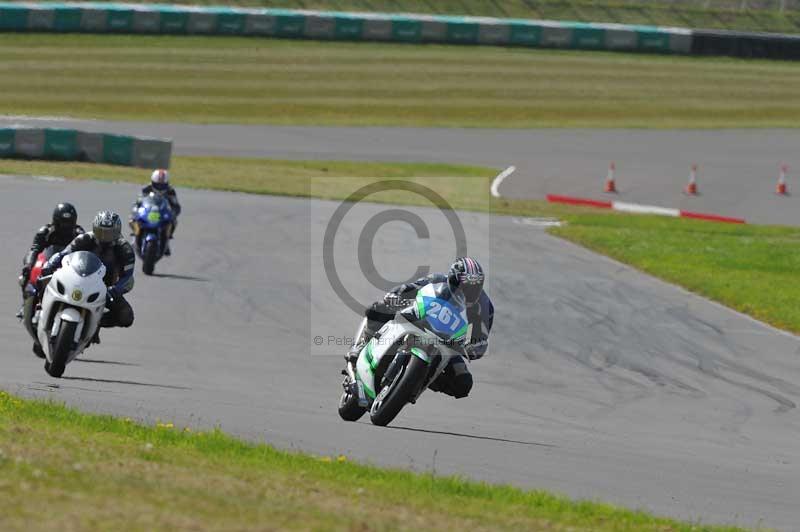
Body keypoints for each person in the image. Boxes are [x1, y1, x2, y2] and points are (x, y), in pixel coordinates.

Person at [346, 257, 493, 399]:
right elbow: (410, 287)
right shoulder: (437, 280)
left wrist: (474, 348)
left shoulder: (485, 307)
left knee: (463, 383)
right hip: (418, 321)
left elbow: (481, 338)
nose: (468, 291)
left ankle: (417, 380)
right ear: (452, 279)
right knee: (379, 308)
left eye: (474, 287)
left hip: (447, 342)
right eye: (464, 285)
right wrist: (396, 295)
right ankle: (361, 345)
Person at [43, 211, 135, 331]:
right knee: (43, 282)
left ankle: (96, 322)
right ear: (94, 228)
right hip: (75, 280)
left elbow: (128, 275)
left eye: (109, 233)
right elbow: (63, 254)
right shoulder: (85, 238)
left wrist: (116, 289)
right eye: (100, 232)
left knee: (126, 316)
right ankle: (40, 308)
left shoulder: (125, 249)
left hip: (105, 289)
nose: (104, 237)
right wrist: (50, 265)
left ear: (117, 232)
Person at [16, 203, 84, 318]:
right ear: (56, 221)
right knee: (26, 275)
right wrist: (28, 265)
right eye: (62, 222)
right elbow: (34, 250)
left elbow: (87, 253)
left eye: (68, 223)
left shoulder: (79, 234)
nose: (65, 226)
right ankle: (25, 305)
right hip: (49, 263)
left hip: (70, 266)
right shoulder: (45, 232)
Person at [131, 169, 181, 256]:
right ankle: (135, 238)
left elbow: (176, 205)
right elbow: (138, 201)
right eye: (157, 184)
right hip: (148, 211)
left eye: (162, 185)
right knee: (132, 219)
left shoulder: (171, 191)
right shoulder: (146, 189)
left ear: (167, 183)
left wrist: (173, 212)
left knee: (174, 222)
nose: (159, 187)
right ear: (152, 182)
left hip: (163, 213)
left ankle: (167, 241)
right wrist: (136, 208)